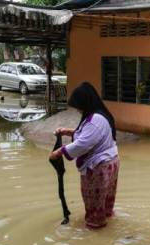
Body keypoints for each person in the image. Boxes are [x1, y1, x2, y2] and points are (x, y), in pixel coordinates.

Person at [49, 82, 119, 229]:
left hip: (99, 167)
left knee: (94, 202)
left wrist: (59, 152)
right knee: (104, 202)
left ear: (85, 103)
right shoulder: (99, 115)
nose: (78, 110)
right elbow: (91, 136)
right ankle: (106, 221)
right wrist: (69, 131)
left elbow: (83, 144)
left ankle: (95, 230)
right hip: (109, 162)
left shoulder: (95, 120)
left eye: (79, 106)